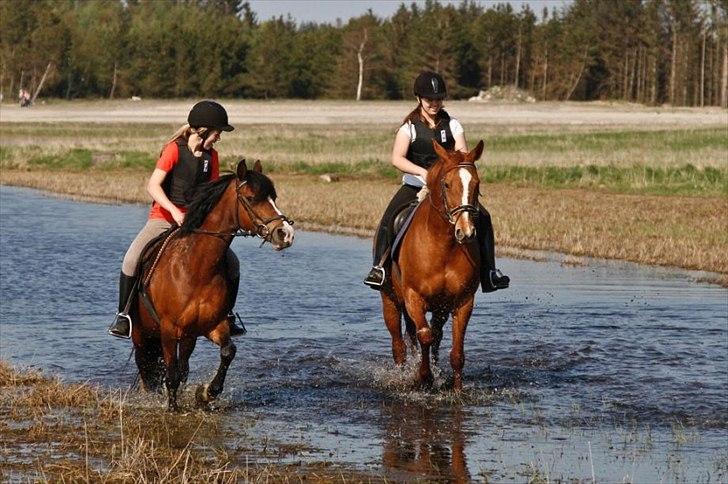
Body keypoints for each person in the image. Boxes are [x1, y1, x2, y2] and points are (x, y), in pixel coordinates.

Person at [108, 100, 246, 338]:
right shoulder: (173, 149)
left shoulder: (211, 157)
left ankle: (227, 314)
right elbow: (153, 186)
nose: (218, 138)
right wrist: (173, 211)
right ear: (202, 130)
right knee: (131, 260)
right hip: (163, 217)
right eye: (217, 133)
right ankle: (125, 316)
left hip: (194, 222)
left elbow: (210, 192)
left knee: (232, 264)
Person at [364, 71, 510, 292]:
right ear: (418, 99)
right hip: (416, 186)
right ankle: (380, 268)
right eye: (429, 99)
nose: (434, 103)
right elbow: (397, 158)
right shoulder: (409, 128)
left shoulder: (453, 126)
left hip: (449, 189)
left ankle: (490, 272)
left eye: (438, 99)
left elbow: (463, 156)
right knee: (390, 217)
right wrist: (423, 173)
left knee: (484, 218)